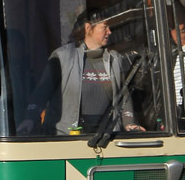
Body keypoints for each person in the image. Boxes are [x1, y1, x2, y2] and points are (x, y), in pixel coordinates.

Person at [23, 8, 143, 136]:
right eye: (105, 27)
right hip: (67, 139)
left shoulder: (114, 58)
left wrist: (129, 123)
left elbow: (123, 96)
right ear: (88, 28)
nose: (110, 32)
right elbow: (41, 93)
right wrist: (30, 118)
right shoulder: (63, 57)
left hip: (106, 138)